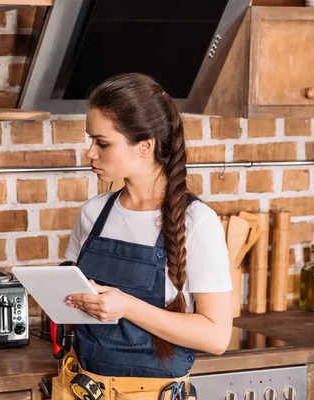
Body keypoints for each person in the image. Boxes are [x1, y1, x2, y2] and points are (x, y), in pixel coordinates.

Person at [52, 73, 232, 400]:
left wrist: (127, 307)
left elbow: (217, 337)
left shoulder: (197, 222)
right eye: (90, 140)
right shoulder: (94, 213)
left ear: (145, 146)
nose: (90, 153)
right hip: (80, 389)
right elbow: (74, 303)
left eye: (102, 143)